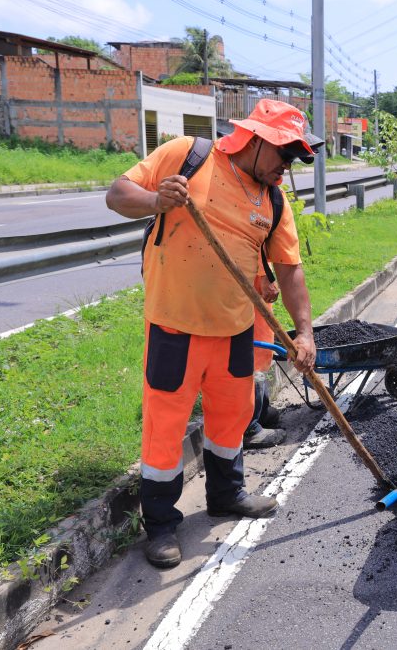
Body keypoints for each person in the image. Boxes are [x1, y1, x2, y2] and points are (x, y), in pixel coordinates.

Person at [105, 99, 319, 569]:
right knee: (165, 430)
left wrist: (304, 334)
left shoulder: (274, 200)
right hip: (174, 327)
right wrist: (156, 200)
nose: (288, 166)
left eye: (295, 158)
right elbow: (117, 195)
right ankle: (161, 525)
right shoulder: (188, 155)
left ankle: (227, 494)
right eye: (285, 154)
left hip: (236, 331)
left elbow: (290, 270)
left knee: (231, 419)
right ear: (257, 140)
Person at [243, 271, 286, 449]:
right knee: (251, 352)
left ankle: (260, 411)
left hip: (250, 282)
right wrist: (264, 274)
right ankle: (249, 427)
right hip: (244, 281)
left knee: (259, 345)